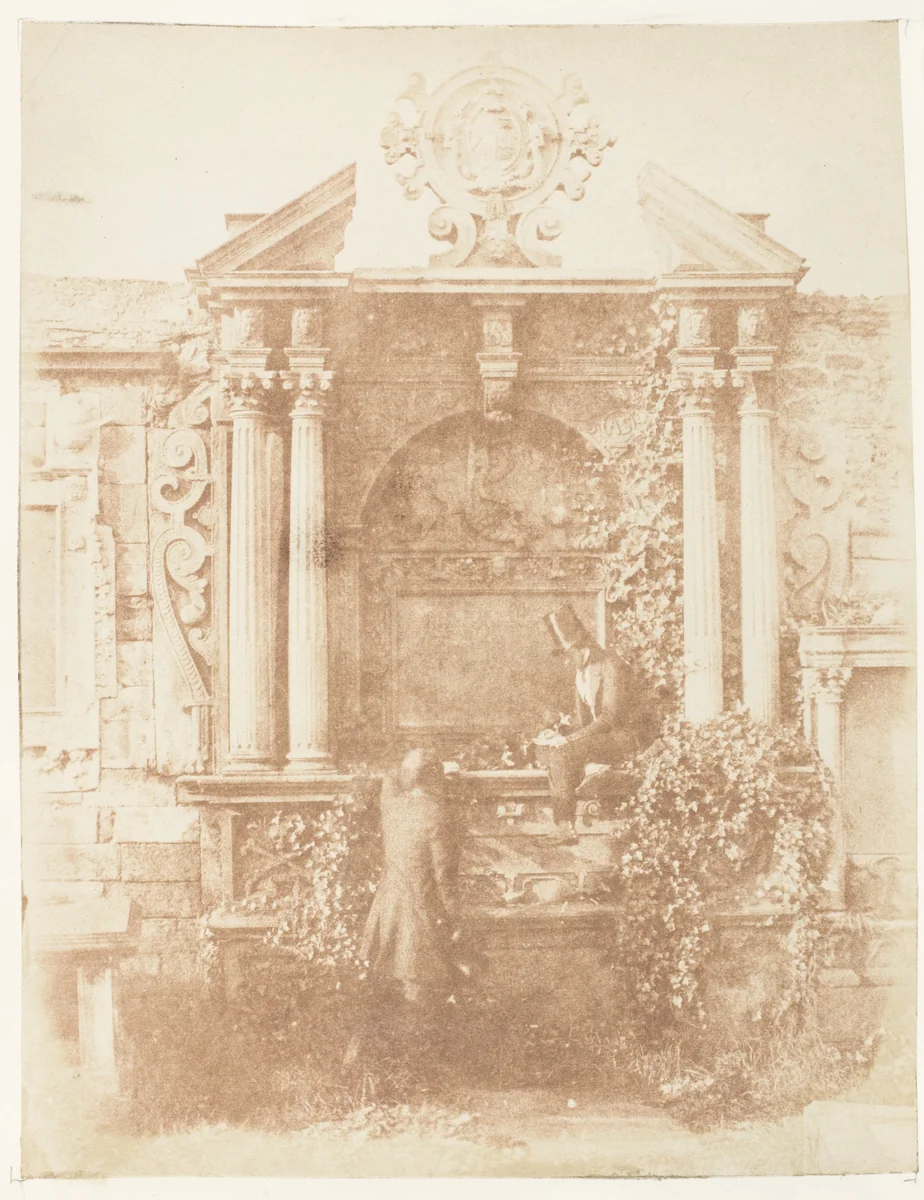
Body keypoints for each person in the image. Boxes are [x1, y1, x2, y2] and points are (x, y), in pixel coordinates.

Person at [344, 746, 463, 1070]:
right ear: (437, 778)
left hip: (388, 905)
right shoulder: (436, 815)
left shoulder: (393, 804)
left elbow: (390, 777)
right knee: (416, 987)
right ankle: (412, 1066)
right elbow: (444, 877)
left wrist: (411, 767)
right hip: (418, 909)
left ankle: (375, 1061)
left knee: (385, 980)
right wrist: (456, 920)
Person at [541, 602, 660, 843]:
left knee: (562, 752)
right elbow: (586, 720)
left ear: (580, 647)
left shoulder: (611, 666)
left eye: (567, 654)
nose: (566, 661)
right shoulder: (581, 673)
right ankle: (565, 822)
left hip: (624, 740)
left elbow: (610, 718)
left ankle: (565, 827)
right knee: (550, 748)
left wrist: (570, 740)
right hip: (603, 739)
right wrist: (561, 734)